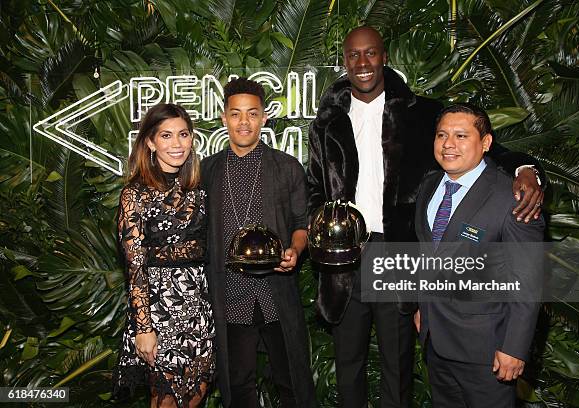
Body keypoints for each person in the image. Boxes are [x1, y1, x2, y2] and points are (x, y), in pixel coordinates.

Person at [306, 26, 545, 407]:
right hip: (345, 257)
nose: (363, 63)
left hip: (399, 253)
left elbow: (483, 146)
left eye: (371, 54)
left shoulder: (425, 114)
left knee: (397, 365)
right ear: (344, 61)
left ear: (384, 57)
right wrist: (322, 227)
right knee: (347, 361)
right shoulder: (325, 122)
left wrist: (526, 169)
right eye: (354, 55)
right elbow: (316, 187)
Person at [413, 103, 544, 407]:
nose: (448, 144)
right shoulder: (429, 186)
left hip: (488, 351)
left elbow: (528, 282)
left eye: (461, 135)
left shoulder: (514, 199)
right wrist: (424, 307)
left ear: (485, 143)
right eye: (442, 135)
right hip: (436, 343)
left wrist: (514, 347)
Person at [201, 77, 316, 408]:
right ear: (224, 118)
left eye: (252, 113)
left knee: (291, 379)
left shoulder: (287, 168)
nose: (244, 122)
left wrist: (295, 249)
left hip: (275, 291)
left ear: (264, 117)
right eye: (235, 114)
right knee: (238, 387)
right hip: (231, 294)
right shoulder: (207, 171)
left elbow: (301, 223)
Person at [113, 103, 214, 408]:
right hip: (159, 310)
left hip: (199, 309)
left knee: (196, 396)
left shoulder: (199, 190)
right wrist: (144, 328)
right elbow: (135, 266)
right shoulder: (135, 194)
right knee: (166, 402)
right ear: (150, 142)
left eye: (183, 134)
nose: (177, 144)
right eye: (166, 135)